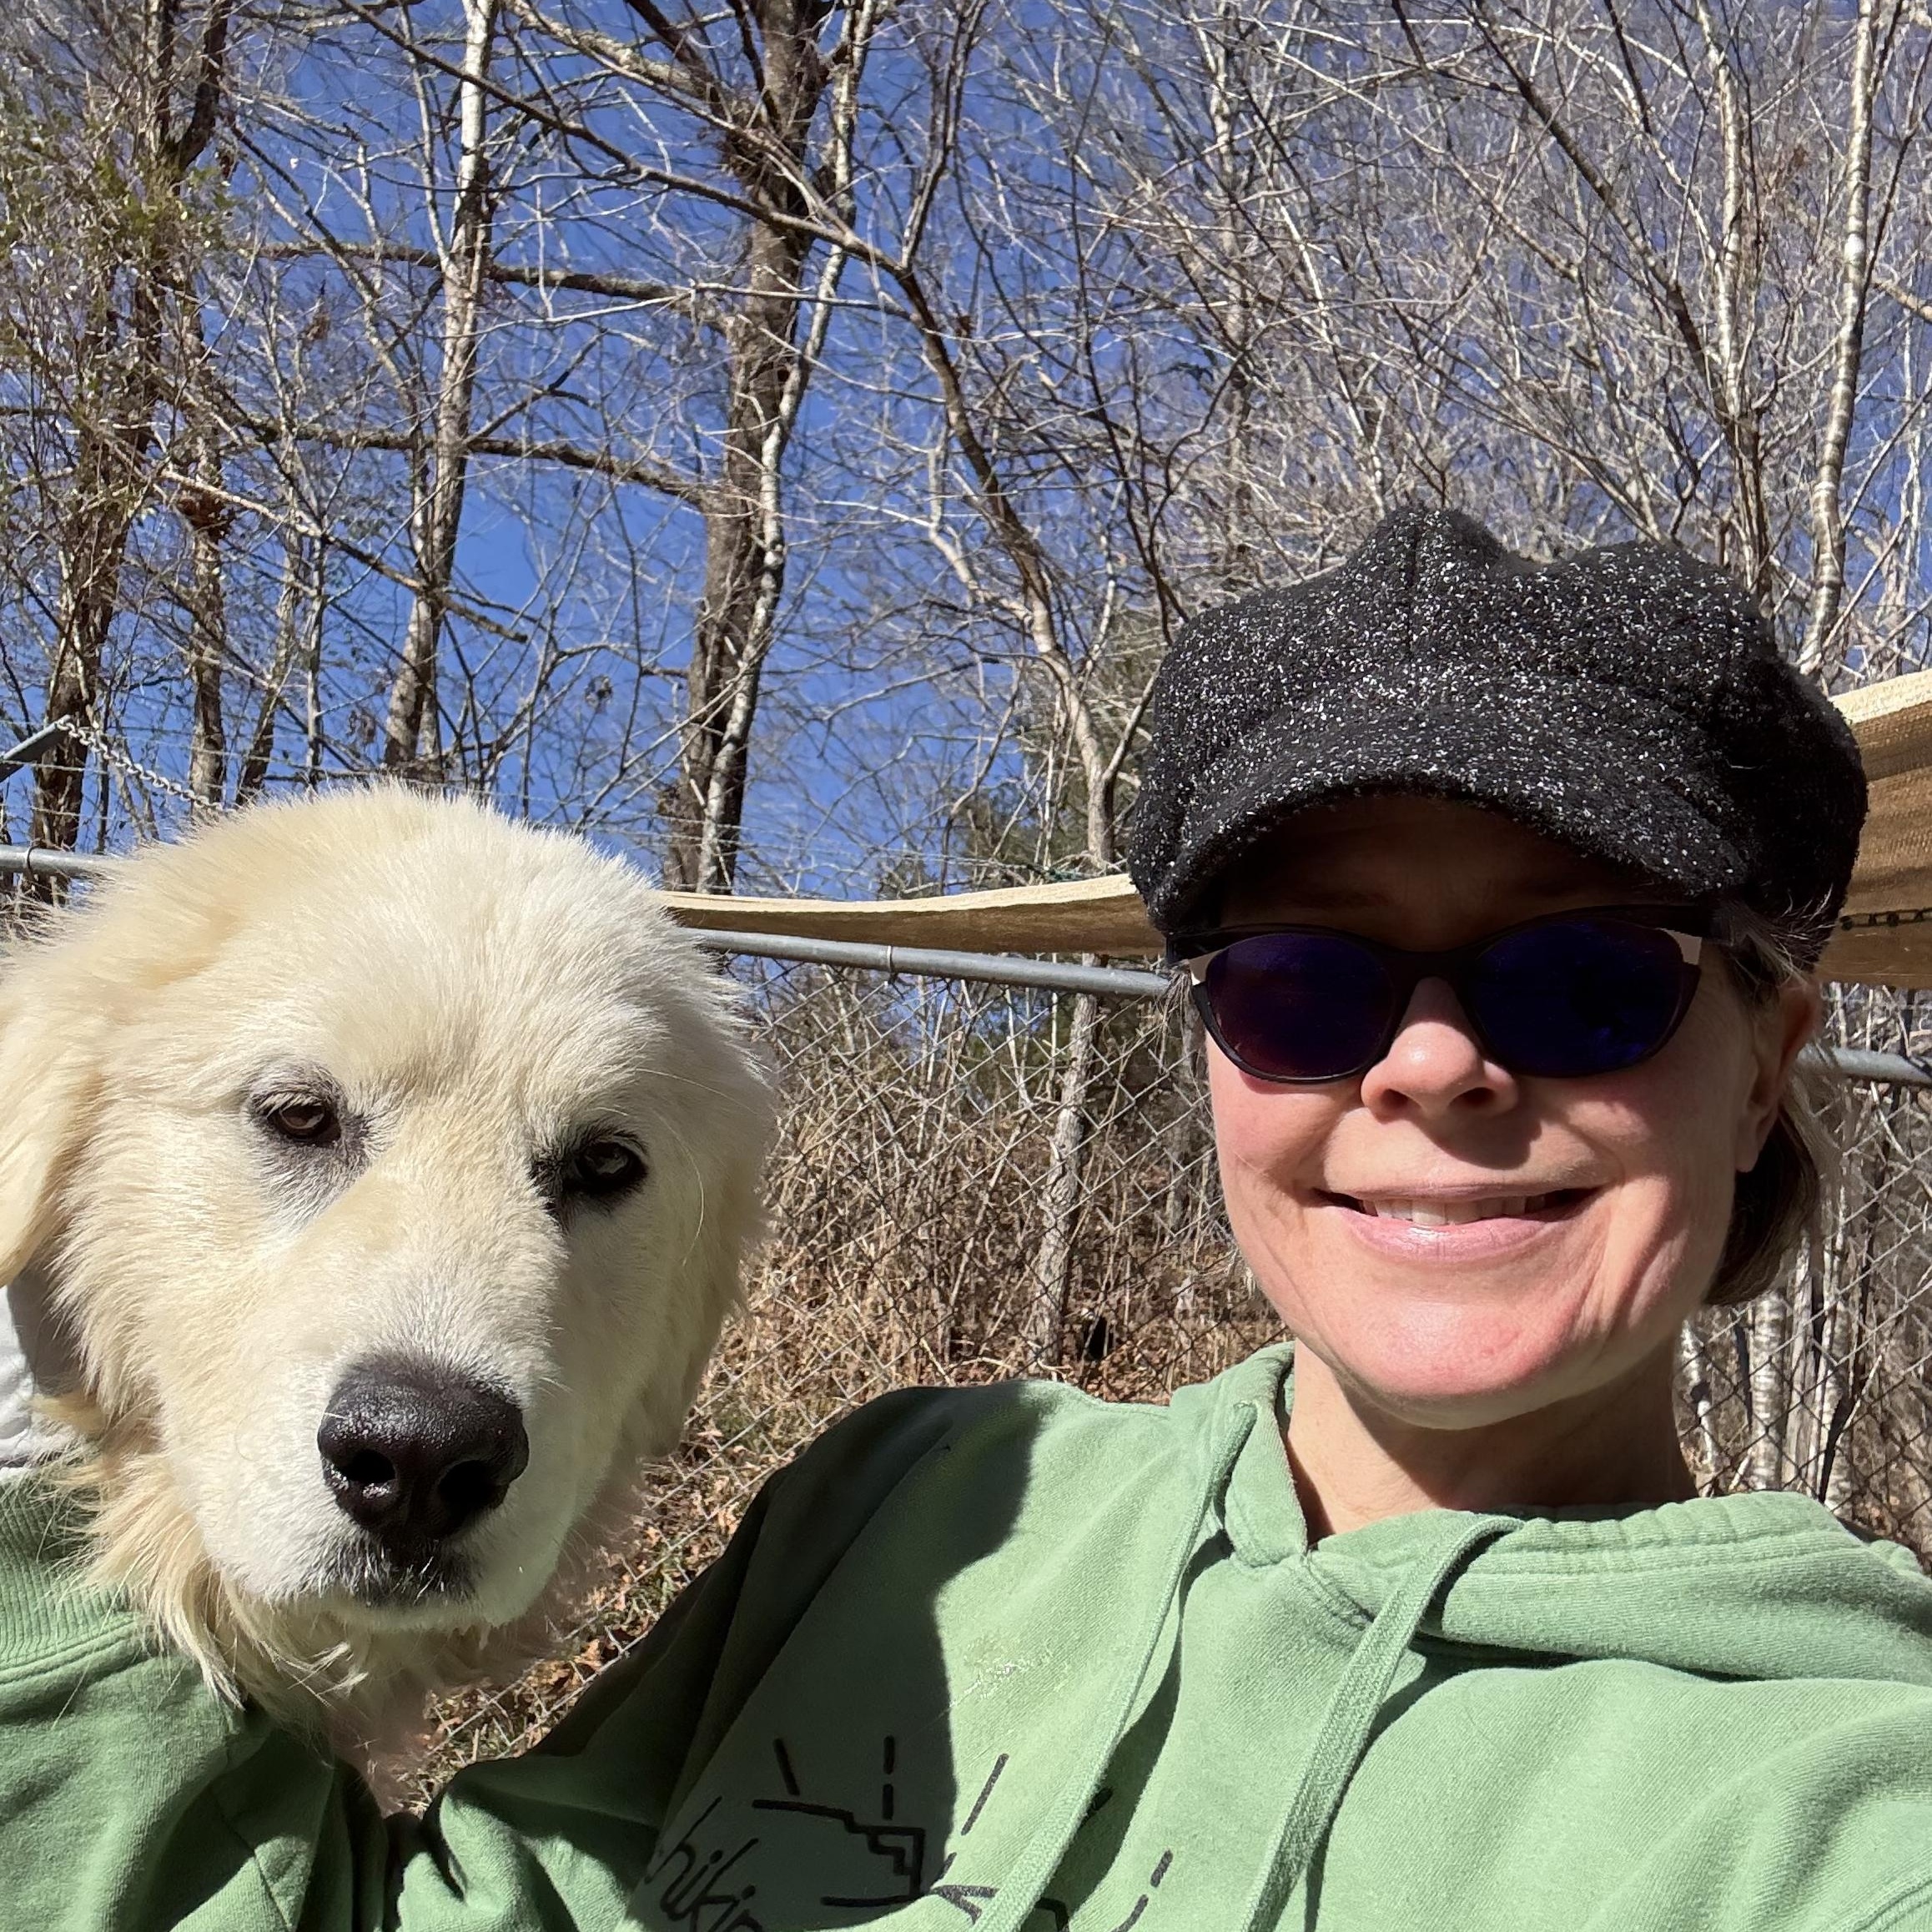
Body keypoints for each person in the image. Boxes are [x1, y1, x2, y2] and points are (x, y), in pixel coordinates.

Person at [6, 506, 1932, 1930]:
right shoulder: (928, 1510)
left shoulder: (1843, 1822)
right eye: (1308, 989)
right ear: (1213, 1056)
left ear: (1767, 1061)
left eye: (1584, 983)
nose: (1428, 1071)